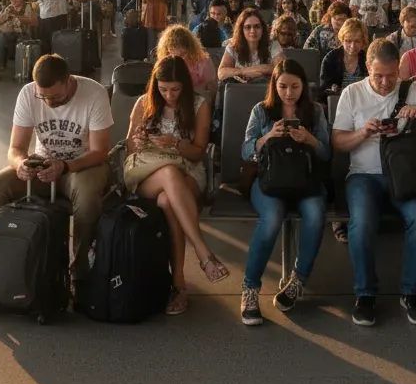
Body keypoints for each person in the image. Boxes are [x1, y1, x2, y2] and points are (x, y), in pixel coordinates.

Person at [0, 54, 112, 318]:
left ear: (68, 81)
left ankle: (79, 274)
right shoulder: (29, 94)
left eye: (54, 97)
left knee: (86, 199)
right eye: (43, 98)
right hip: (41, 162)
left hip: (81, 164)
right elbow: (15, 147)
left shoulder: (93, 93)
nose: (48, 102)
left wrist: (65, 166)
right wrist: (20, 164)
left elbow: (100, 151)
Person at [332, 38, 416, 326]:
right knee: (362, 223)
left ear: (399, 71)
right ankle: (365, 293)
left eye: (391, 76)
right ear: (367, 68)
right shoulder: (352, 94)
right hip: (363, 175)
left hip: (406, 176)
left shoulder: (412, 90)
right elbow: (339, 142)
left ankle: (412, 292)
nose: (384, 82)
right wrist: (363, 134)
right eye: (378, 75)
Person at [123, 56, 227, 313]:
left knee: (168, 201)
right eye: (163, 89)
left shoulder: (198, 105)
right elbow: (128, 146)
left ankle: (178, 284)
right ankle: (203, 253)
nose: (169, 95)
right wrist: (137, 142)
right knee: (169, 173)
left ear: (186, 86)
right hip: (146, 170)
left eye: (175, 89)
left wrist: (175, 144)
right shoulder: (144, 103)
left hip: (187, 168)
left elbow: (198, 153)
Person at [240, 59, 331, 324]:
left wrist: (310, 140)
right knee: (271, 219)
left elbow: (326, 153)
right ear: (274, 85)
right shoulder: (262, 111)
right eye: (283, 86)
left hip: (306, 180)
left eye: (294, 86)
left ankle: (298, 279)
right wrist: (268, 137)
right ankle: (250, 288)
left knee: (315, 214)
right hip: (269, 180)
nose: (289, 93)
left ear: (304, 86)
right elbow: (245, 151)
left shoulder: (314, 111)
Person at [217, 7, 283, 84]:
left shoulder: (273, 44)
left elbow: (282, 69)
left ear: (262, 28)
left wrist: (253, 70)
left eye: (257, 26)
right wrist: (243, 71)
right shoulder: (233, 46)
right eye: (248, 27)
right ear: (241, 30)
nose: (253, 31)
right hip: (240, 90)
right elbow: (221, 73)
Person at [0, 0, 38, 80]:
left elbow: (34, 22)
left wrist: (18, 18)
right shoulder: (9, 8)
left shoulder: (28, 6)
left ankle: (21, 71)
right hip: (10, 34)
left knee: (19, 40)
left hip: (24, 35)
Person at [156, 25, 217, 101]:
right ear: (167, 51)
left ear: (190, 49)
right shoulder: (164, 62)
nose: (179, 59)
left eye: (183, 54)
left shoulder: (203, 62)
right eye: (173, 55)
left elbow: (211, 90)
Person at [319, 18, 369, 96]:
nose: (352, 46)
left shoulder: (368, 58)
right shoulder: (330, 59)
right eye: (348, 41)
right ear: (342, 40)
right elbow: (324, 90)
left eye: (357, 41)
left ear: (363, 42)